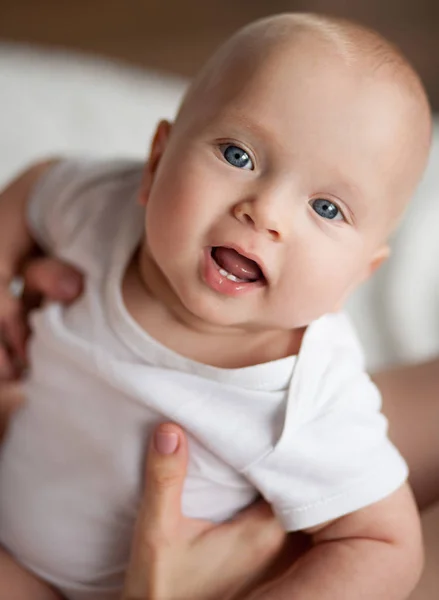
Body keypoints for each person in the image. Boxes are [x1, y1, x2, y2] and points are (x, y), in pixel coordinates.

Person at [0, 12, 432, 600]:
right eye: (237, 155)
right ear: (156, 161)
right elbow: (37, 186)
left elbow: (385, 545)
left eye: (327, 208)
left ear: (359, 275)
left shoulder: (303, 399)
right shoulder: (101, 210)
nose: (266, 212)